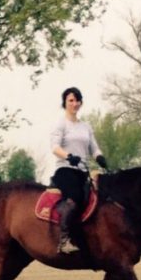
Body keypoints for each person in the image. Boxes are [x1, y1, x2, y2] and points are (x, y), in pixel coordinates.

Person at [50, 87, 107, 254]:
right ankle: (64, 240)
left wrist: (100, 158)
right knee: (75, 198)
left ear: (81, 103)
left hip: (83, 171)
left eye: (77, 100)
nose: (74, 104)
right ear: (65, 103)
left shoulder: (85, 126)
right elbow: (54, 147)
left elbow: (94, 148)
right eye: (71, 100)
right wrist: (68, 156)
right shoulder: (61, 123)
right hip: (65, 169)